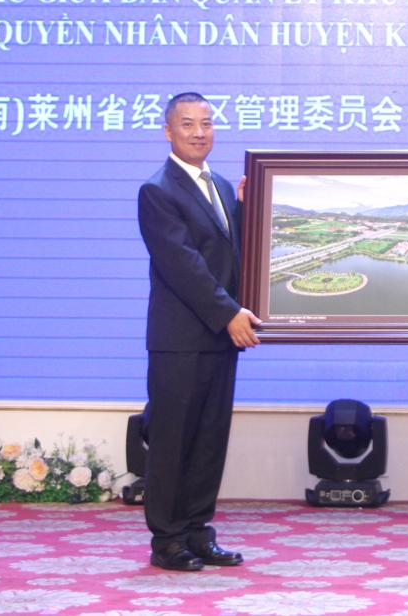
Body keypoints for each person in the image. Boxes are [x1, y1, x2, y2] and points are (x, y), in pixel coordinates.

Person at [137, 92, 262, 571]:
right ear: (168, 131)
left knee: (210, 439)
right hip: (180, 340)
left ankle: (197, 531)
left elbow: (227, 254)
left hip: (219, 337)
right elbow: (184, 265)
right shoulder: (157, 191)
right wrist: (229, 313)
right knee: (173, 441)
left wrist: (248, 211)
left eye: (206, 123)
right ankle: (167, 539)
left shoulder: (224, 186)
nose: (199, 132)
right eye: (187, 124)